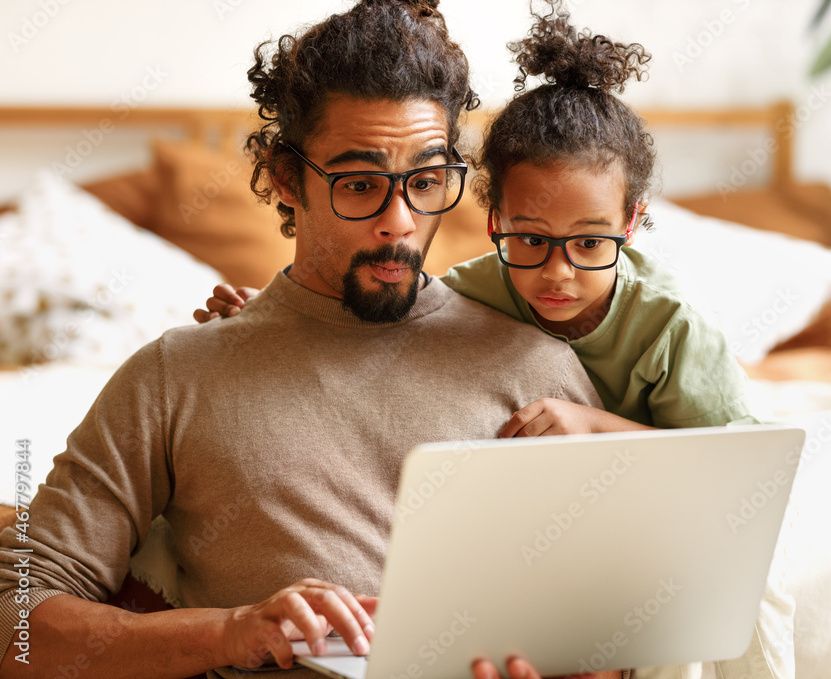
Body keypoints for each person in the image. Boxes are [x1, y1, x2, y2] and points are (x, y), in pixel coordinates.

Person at [0, 3, 611, 678]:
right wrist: (227, 632)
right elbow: (15, 625)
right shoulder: (174, 376)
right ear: (287, 178)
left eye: (427, 181)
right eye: (358, 184)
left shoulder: (541, 371)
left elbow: (624, 615)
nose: (399, 222)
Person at [195, 4, 796, 678]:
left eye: (590, 242)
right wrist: (269, 312)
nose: (558, 272)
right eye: (531, 240)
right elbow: (371, 303)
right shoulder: (473, 290)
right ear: (493, 221)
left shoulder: (670, 327)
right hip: (559, 526)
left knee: (729, 583)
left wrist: (600, 428)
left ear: (632, 222)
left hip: (669, 497)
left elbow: (740, 474)